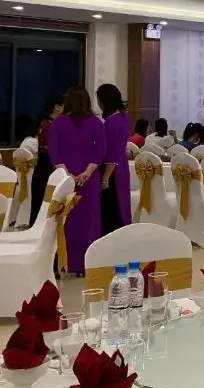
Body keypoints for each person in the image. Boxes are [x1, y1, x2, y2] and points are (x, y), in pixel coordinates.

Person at [49, 86, 106, 275]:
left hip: (64, 181)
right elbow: (100, 150)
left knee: (64, 220)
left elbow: (54, 152)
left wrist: (67, 175)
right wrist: (87, 172)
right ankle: (85, 264)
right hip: (88, 180)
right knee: (88, 221)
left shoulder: (58, 123)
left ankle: (63, 262)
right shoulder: (96, 123)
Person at [96, 84, 131, 235]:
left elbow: (111, 153)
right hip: (122, 166)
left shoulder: (111, 122)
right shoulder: (124, 117)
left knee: (111, 207)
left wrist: (105, 178)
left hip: (112, 170)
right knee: (122, 204)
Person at [28, 94, 64, 226]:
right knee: (42, 200)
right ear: (57, 107)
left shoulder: (52, 123)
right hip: (47, 165)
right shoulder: (48, 124)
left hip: (48, 163)